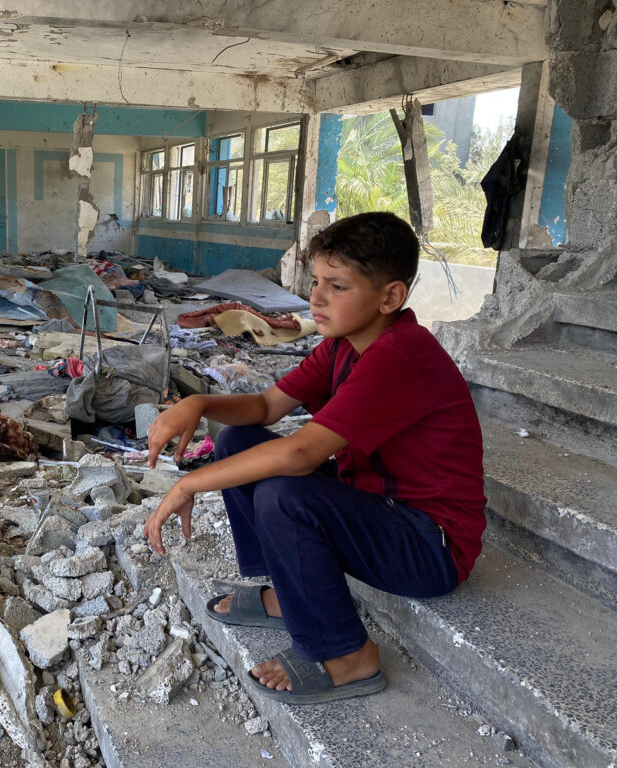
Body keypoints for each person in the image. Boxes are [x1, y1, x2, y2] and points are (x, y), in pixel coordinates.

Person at [142, 212, 486, 704]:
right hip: (375, 506)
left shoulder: (400, 355)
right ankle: (286, 593)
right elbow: (264, 407)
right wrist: (199, 404)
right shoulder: (345, 346)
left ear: (391, 297)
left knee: (287, 492)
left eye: (338, 286)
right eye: (316, 281)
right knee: (238, 441)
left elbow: (301, 453)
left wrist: (189, 484)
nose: (316, 298)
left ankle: (349, 657)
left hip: (430, 546)